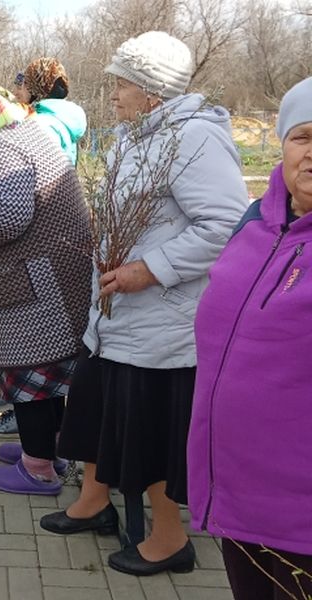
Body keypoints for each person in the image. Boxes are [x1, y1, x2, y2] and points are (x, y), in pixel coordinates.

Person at [39, 31, 249, 576]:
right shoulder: (136, 136)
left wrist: (149, 269)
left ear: (152, 90)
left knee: (148, 429)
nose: (113, 91)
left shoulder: (194, 138)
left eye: (122, 82)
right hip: (113, 313)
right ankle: (93, 502)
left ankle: (170, 537)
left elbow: (226, 224)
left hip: (161, 321)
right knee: (93, 409)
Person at [187, 76, 312, 600]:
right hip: (235, 495)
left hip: (299, 515)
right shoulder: (255, 222)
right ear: (282, 142)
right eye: (304, 136)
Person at [0, 86, 92, 495]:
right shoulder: (28, 134)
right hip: (53, 276)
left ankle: (37, 467)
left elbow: (8, 215)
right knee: (49, 374)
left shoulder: (5, 148)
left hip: (36, 284)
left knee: (31, 373)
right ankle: (51, 449)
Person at [23, 56, 87, 165]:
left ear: (36, 87)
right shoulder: (64, 118)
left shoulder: (42, 124)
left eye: (26, 83)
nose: (23, 88)